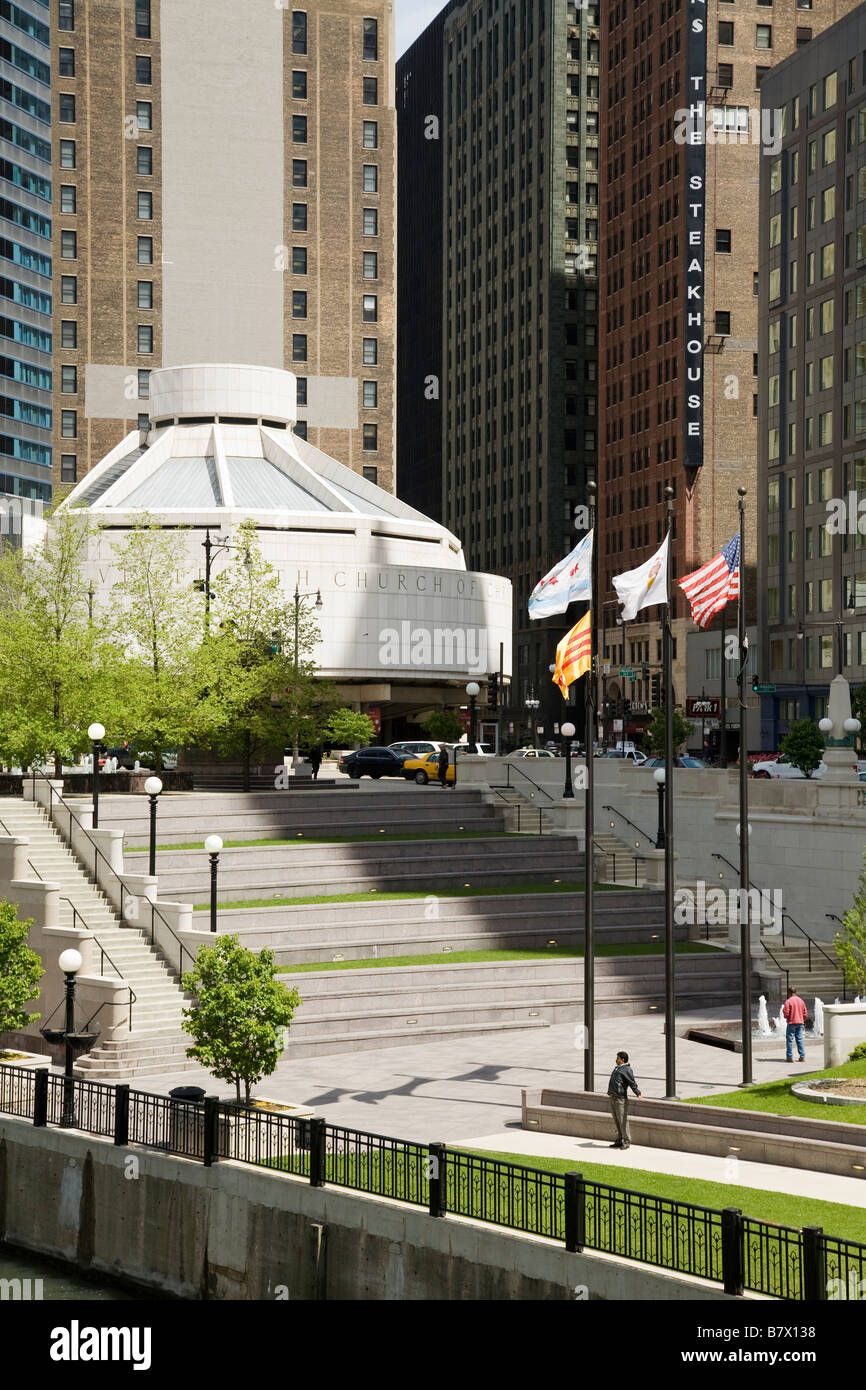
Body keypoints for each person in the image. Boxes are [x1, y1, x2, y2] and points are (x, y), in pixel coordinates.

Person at [607, 1049, 642, 1149]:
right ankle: (619, 1139)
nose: (616, 1060)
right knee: (616, 1120)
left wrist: (638, 1093)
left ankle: (626, 1141)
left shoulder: (626, 1069)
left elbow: (632, 1082)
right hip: (613, 1097)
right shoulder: (617, 1068)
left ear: (622, 1060)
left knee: (623, 1121)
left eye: (617, 1058)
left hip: (621, 1099)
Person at [782, 986, 808, 1062]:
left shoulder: (788, 1001)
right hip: (800, 1022)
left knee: (790, 1040)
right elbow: (805, 1013)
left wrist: (786, 1016)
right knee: (799, 1039)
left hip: (791, 1023)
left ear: (789, 993)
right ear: (796, 992)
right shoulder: (801, 1001)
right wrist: (802, 1019)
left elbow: (786, 1013)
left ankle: (790, 1057)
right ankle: (802, 1056)